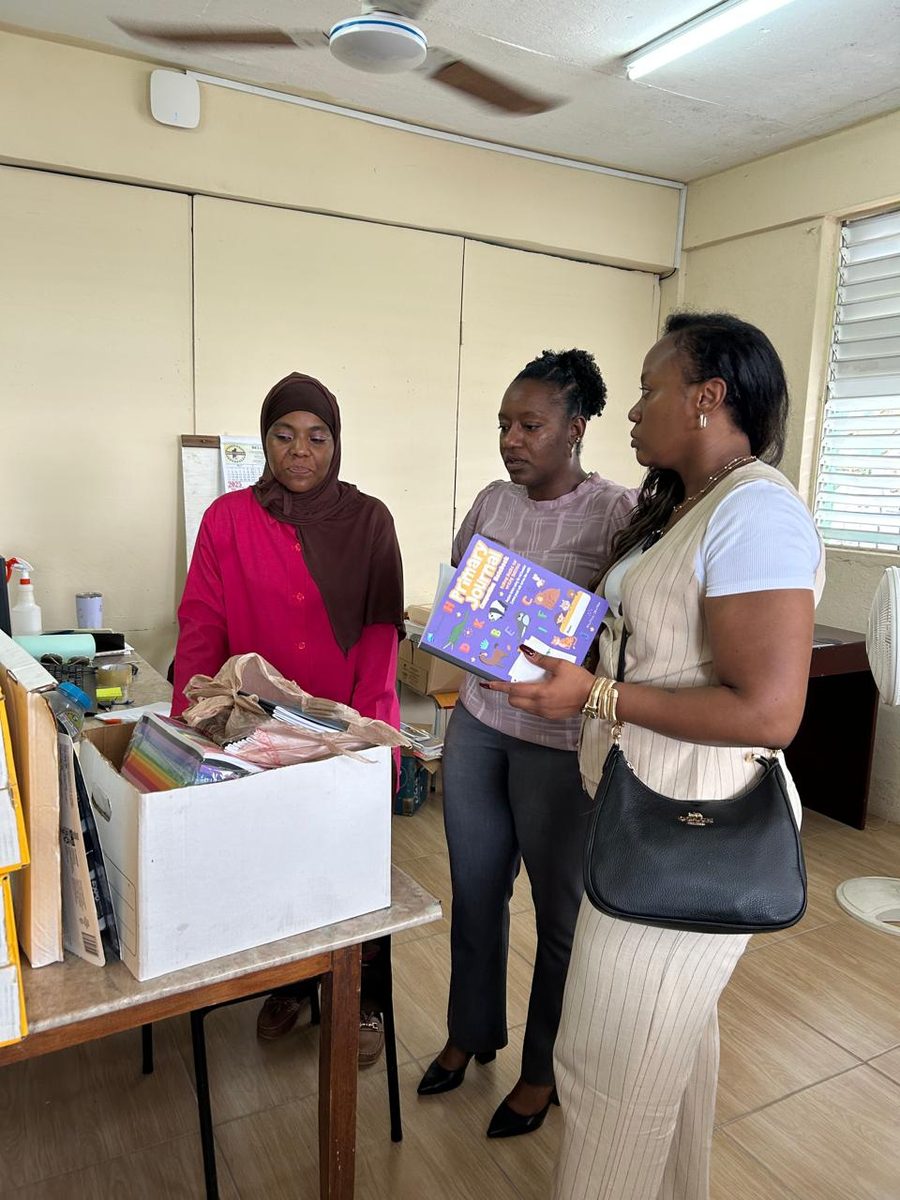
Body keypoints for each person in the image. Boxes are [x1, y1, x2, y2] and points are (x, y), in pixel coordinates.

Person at [486, 313, 824, 1198]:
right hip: (649, 801)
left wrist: (595, 697)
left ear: (708, 396)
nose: (632, 411)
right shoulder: (691, 506)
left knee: (604, 1069)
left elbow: (770, 710)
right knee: (672, 1056)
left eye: (648, 388)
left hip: (694, 824)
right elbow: (660, 646)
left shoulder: (759, 511)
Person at [417, 349, 638, 1138]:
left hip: (558, 744)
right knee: (475, 893)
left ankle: (542, 1069)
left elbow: (626, 630)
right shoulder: (491, 501)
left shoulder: (620, 511)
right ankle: (469, 1033)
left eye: (531, 424)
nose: (512, 439)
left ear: (576, 429)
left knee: (559, 913)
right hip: (479, 726)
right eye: (505, 424)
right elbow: (464, 585)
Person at [172, 371, 404, 1066]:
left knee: (357, 871)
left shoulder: (369, 522)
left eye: (317, 437)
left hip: (344, 730)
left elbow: (379, 639)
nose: (300, 451)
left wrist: (368, 741)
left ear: (336, 443)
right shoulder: (228, 521)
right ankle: (295, 986)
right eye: (284, 435)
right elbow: (201, 625)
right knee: (275, 867)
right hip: (257, 731)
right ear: (265, 440)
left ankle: (365, 999)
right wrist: (197, 714)